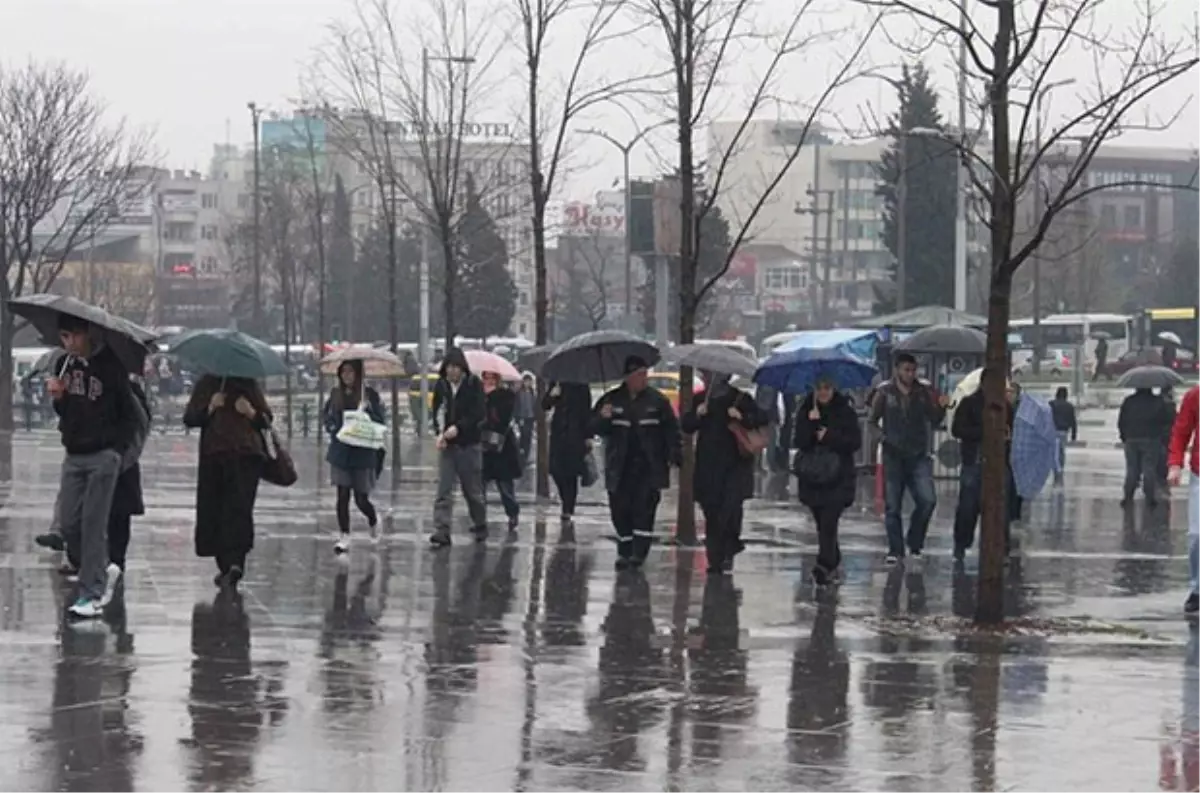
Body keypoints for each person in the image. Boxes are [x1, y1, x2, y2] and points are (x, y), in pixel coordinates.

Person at [51, 316, 140, 619]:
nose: (69, 343)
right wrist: (59, 398)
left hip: (103, 455)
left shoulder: (111, 367)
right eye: (63, 337)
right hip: (74, 453)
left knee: (93, 524)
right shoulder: (64, 365)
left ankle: (92, 593)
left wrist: (116, 451)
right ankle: (103, 570)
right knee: (68, 523)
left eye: (73, 336)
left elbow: (130, 414)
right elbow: (66, 412)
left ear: (87, 334)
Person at [592, 356, 681, 570]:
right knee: (620, 510)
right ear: (629, 377)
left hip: (648, 467)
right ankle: (625, 550)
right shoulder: (611, 400)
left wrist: (675, 454)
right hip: (620, 467)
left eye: (645, 374)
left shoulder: (658, 401)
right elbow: (593, 427)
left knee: (644, 510)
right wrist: (602, 418)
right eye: (639, 375)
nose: (644, 378)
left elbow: (671, 431)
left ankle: (639, 554)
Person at [183, 375, 273, 588]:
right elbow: (190, 418)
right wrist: (211, 406)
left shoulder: (248, 384)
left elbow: (267, 419)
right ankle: (225, 565)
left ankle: (235, 563)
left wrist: (250, 412)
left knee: (239, 509)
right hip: (214, 457)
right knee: (215, 510)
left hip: (245, 456)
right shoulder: (206, 384)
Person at [680, 371, 767, 575]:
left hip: (735, 466)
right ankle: (715, 559)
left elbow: (760, 419)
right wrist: (697, 415)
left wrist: (742, 417)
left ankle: (729, 547)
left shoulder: (740, 399)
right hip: (708, 466)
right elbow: (686, 425)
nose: (708, 379)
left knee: (730, 510)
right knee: (711, 512)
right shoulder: (701, 399)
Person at [869, 352, 948, 565]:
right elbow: (872, 421)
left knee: (927, 500)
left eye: (913, 371)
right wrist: (883, 438)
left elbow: (934, 419)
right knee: (892, 505)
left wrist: (941, 406)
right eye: (906, 370)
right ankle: (895, 549)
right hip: (893, 454)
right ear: (897, 370)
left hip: (917, 454)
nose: (910, 374)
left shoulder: (922, 392)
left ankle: (915, 542)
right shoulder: (885, 392)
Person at [793, 376, 862, 586]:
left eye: (827, 388)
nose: (823, 392)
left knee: (829, 521)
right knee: (822, 524)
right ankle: (833, 556)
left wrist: (830, 436)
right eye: (819, 388)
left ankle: (824, 565)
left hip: (838, 477)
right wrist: (811, 425)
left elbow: (854, 442)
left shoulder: (845, 411)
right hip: (813, 477)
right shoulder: (805, 409)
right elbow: (799, 442)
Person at [950, 371, 1016, 561]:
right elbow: (958, 429)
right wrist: (984, 432)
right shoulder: (970, 403)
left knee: (1001, 508)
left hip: (999, 462)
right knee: (968, 506)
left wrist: (1005, 438)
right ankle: (961, 544)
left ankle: (1001, 548)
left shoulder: (1006, 407)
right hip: (974, 461)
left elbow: (1010, 431)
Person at [323, 360, 384, 555]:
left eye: (351, 372)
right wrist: (333, 428)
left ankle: (373, 519)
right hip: (341, 451)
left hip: (362, 452)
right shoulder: (335, 395)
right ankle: (344, 535)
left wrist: (368, 412)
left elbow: (380, 421)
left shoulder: (369, 395)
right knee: (342, 495)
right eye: (344, 372)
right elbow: (328, 417)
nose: (347, 376)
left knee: (360, 498)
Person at [428, 347, 488, 547]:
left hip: (468, 444)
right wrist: (439, 432)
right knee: (444, 490)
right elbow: (437, 410)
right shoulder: (442, 386)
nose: (452, 372)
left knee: (472, 491)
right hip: (448, 446)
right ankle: (442, 530)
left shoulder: (473, 385)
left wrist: (459, 428)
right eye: (449, 368)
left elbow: (478, 413)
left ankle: (480, 522)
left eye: (456, 368)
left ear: (462, 368)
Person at [1167, 386, 1200, 613]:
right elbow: (1181, 431)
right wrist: (1175, 464)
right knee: (1196, 535)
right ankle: (1198, 589)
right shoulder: (1195, 396)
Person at [543, 381, 593, 521]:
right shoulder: (556, 382)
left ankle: (568, 508)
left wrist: (588, 436)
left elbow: (587, 412)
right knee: (555, 470)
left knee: (571, 473)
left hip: (576, 434)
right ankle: (565, 499)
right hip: (558, 433)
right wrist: (553, 395)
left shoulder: (582, 386)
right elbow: (545, 405)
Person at [480, 370, 522, 530]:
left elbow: (503, 418)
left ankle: (512, 513)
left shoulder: (505, 395)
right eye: (486, 378)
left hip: (501, 446)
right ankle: (480, 518)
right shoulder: (478, 395)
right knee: (479, 485)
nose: (488, 381)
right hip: (483, 444)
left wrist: (491, 398)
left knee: (505, 486)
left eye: (492, 378)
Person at [1119, 386, 1173, 507]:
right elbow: (1165, 420)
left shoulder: (1129, 401)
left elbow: (1121, 420)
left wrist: (1124, 436)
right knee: (1149, 468)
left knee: (1132, 468)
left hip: (1132, 438)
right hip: (1151, 439)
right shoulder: (1157, 402)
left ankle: (1128, 496)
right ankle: (1149, 497)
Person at [1050, 386, 1078, 486]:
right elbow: (1073, 421)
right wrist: (1074, 436)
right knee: (1062, 451)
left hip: (1052, 430)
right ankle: (1061, 468)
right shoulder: (1069, 406)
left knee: (1054, 451)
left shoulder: (1051, 404)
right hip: (1064, 431)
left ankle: (1055, 468)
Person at [515, 373, 537, 468]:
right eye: (525, 381)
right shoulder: (519, 392)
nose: (527, 383)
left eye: (529, 381)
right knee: (522, 436)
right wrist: (517, 417)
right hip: (522, 416)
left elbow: (535, 404)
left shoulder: (533, 392)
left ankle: (526, 456)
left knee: (528, 436)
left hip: (530, 417)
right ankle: (521, 456)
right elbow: (516, 405)